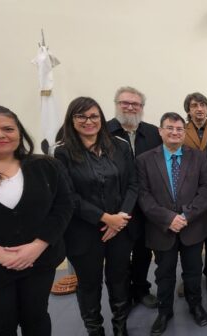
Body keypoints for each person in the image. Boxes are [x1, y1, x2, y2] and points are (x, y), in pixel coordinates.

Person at [0, 105, 72, 336]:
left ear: (19, 131)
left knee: (37, 319)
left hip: (39, 262)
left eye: (8, 128)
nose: (0, 135)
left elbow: (64, 206)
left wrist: (39, 245)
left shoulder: (46, 166)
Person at [55, 97, 138, 336]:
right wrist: (105, 218)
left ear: (101, 118)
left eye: (94, 116)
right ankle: (95, 330)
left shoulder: (120, 145)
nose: (89, 121)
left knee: (119, 280)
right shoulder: (61, 153)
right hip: (84, 232)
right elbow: (68, 196)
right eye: (81, 116)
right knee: (89, 285)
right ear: (72, 120)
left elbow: (133, 184)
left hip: (120, 228)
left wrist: (120, 217)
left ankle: (121, 328)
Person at [137, 112, 207, 334]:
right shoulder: (144, 160)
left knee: (193, 270)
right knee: (164, 273)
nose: (175, 132)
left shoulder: (198, 157)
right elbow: (143, 196)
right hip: (162, 229)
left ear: (184, 133)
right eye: (169, 128)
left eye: (179, 129)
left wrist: (186, 216)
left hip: (193, 227)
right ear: (160, 131)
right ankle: (164, 311)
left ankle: (195, 306)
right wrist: (169, 218)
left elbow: (206, 190)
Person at [107, 86, 162, 309]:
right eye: (125, 103)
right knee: (117, 260)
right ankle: (122, 298)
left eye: (135, 104)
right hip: (114, 209)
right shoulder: (104, 133)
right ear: (116, 104)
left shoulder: (153, 133)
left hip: (145, 208)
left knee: (142, 253)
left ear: (142, 108)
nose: (130, 107)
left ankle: (140, 289)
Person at [181, 92, 207, 294]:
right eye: (195, 105)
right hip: (188, 194)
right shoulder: (181, 130)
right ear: (188, 109)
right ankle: (188, 276)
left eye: (203, 104)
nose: (199, 109)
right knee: (189, 238)